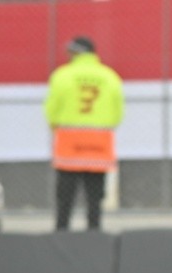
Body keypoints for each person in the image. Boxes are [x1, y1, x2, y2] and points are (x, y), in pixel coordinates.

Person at [44, 36, 124, 231]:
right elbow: (118, 112)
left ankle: (61, 232)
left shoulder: (62, 75)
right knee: (95, 195)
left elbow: (51, 108)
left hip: (69, 143)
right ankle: (94, 232)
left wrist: (56, 128)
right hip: (99, 143)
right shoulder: (109, 76)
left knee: (65, 194)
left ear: (76, 52)